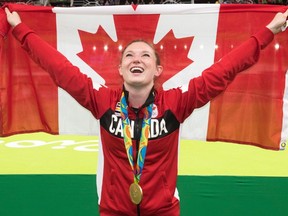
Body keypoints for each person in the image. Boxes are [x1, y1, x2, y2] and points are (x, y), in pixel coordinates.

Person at [4, 7, 288, 216]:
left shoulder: (175, 104)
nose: (136, 59)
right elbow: (59, 68)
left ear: (158, 70)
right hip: (113, 212)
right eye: (129, 55)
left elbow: (223, 71)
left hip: (163, 211)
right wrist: (20, 30)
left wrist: (267, 32)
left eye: (145, 56)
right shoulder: (102, 101)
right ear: (120, 69)